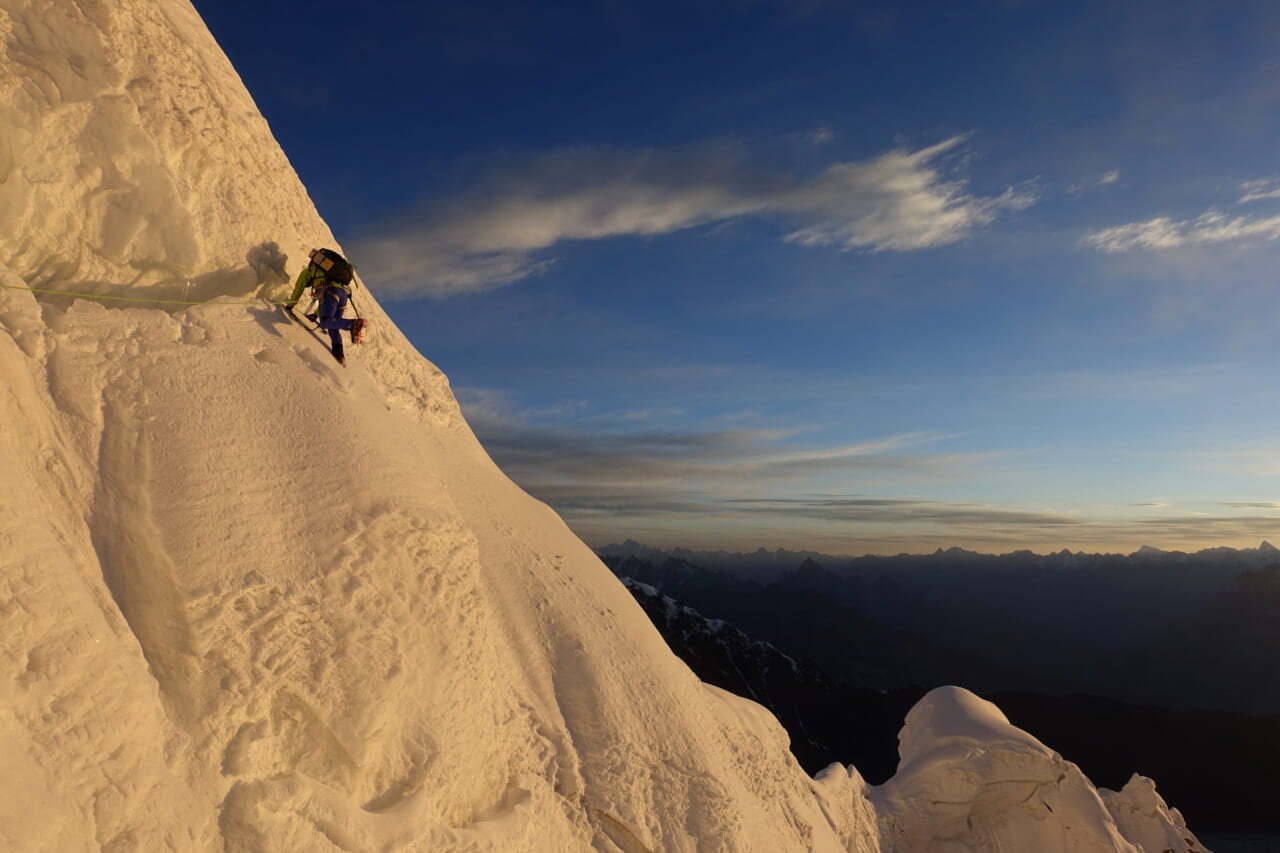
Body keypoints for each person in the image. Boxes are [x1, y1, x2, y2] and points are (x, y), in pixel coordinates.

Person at [286, 248, 367, 364]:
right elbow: (324, 305)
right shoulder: (329, 274)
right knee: (333, 325)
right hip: (343, 295)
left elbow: (298, 289)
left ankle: (352, 323)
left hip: (331, 292)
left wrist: (289, 306)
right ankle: (339, 355)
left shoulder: (308, 271)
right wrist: (315, 315)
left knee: (325, 322)